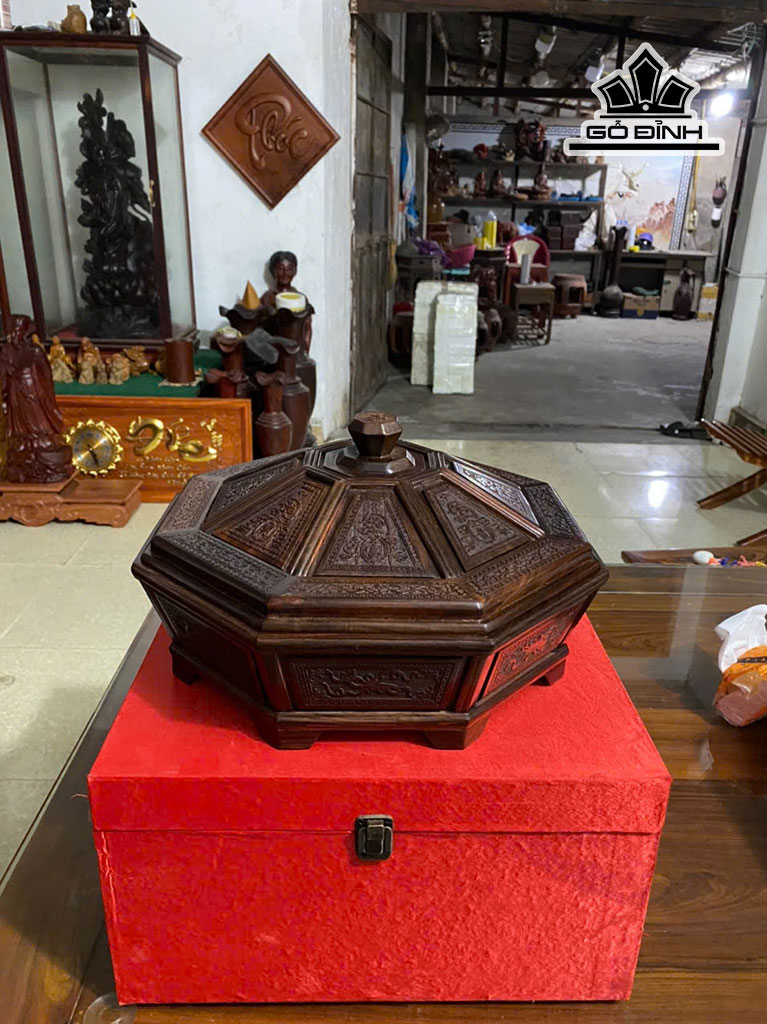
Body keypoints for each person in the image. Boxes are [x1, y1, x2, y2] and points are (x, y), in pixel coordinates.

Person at [0, 315, 72, 483]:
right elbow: (3, 371)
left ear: (25, 331)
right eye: (12, 330)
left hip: (33, 389)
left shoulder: (35, 350)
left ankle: (41, 440)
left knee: (37, 417)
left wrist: (44, 392)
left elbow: (46, 373)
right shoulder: (6, 351)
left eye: (18, 330)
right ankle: (25, 442)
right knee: (19, 419)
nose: (15, 334)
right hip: (15, 390)